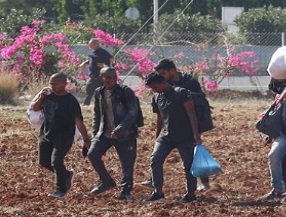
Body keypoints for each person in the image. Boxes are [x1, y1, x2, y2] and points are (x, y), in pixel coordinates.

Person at [138, 58, 211, 191]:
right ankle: (153, 181)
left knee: (194, 153)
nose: (161, 77)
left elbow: (198, 105)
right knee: (157, 156)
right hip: (171, 125)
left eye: (163, 73)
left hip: (190, 123)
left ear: (172, 70)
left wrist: (196, 131)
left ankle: (204, 182)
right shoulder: (164, 84)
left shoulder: (189, 82)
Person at [144, 71, 202, 203]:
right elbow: (159, 118)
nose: (154, 90)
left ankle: (190, 194)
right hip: (165, 136)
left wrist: (196, 134)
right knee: (155, 160)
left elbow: (191, 114)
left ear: (163, 82)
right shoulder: (157, 97)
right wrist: (157, 136)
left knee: (188, 165)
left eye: (155, 87)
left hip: (184, 136)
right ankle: (158, 192)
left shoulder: (181, 93)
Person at [31, 73, 92, 198]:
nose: (52, 86)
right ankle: (67, 175)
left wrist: (86, 138)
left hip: (64, 135)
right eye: (51, 84)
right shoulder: (47, 96)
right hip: (46, 133)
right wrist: (41, 97)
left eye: (55, 84)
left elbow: (78, 121)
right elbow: (35, 108)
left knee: (56, 161)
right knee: (43, 162)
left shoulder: (71, 101)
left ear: (65, 84)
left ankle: (61, 190)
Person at [87, 67, 140, 200]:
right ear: (101, 78)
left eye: (113, 77)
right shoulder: (99, 92)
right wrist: (95, 135)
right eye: (107, 77)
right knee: (92, 154)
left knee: (126, 164)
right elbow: (97, 115)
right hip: (105, 134)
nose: (111, 80)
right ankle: (107, 181)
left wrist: (121, 128)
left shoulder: (125, 91)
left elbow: (132, 112)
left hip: (125, 135)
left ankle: (126, 190)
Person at [80, 39, 114, 106]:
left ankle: (86, 104)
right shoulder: (94, 52)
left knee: (90, 89)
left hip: (99, 75)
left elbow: (112, 59)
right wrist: (85, 63)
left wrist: (104, 65)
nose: (89, 45)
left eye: (91, 44)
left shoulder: (102, 52)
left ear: (96, 44)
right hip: (95, 75)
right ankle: (103, 104)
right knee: (97, 90)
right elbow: (92, 59)